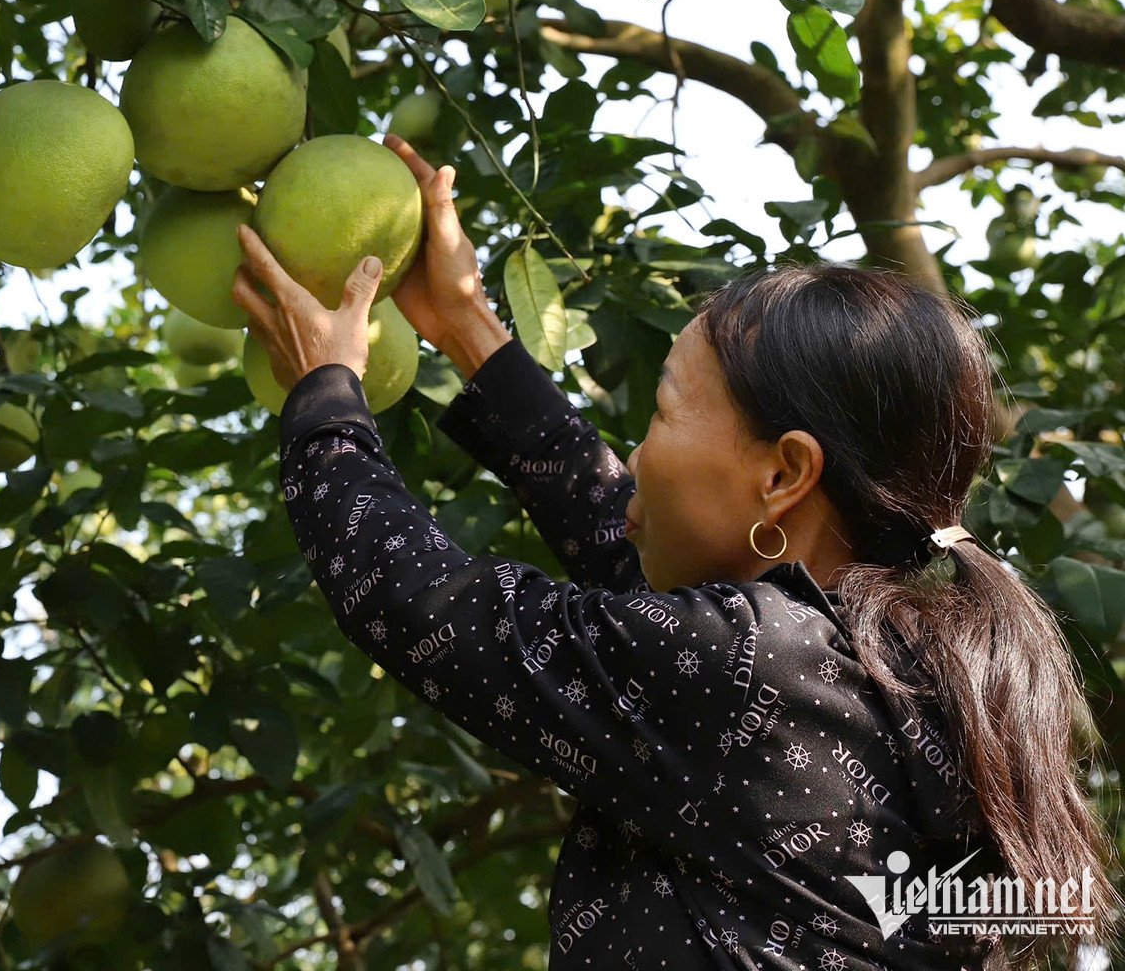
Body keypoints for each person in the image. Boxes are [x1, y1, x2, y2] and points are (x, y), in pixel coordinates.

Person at [229, 132, 1121, 970]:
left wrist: (324, 394)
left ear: (784, 477)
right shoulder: (893, 673)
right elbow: (621, 532)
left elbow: (413, 602)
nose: (640, 458)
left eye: (660, 413)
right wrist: (466, 325)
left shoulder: (749, 666)